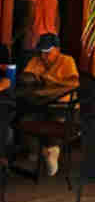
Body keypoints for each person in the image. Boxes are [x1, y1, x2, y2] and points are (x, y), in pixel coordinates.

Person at [19, 33, 80, 175]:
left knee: (55, 123)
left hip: (64, 106)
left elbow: (74, 83)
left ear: (57, 50)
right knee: (25, 119)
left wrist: (52, 79)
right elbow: (25, 76)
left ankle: (51, 152)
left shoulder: (67, 61)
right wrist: (29, 77)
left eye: (48, 52)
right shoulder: (36, 60)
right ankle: (37, 153)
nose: (44, 56)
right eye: (42, 52)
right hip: (41, 104)